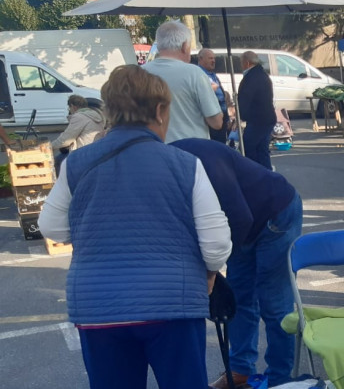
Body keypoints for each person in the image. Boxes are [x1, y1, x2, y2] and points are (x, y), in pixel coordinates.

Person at [38, 65, 232, 389]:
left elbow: (51, 227)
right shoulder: (185, 165)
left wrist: (96, 231)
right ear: (159, 111)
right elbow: (216, 245)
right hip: (173, 303)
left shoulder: (77, 163)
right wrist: (210, 274)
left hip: (97, 306)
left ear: (111, 111)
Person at [171, 138, 302, 389]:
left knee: (274, 304)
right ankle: (240, 370)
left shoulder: (197, 160)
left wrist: (213, 268)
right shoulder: (167, 163)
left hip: (275, 213)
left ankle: (280, 379)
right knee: (240, 298)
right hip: (241, 223)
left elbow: (240, 218)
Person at [142, 20, 224, 142]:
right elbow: (216, 123)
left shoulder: (140, 73)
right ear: (184, 46)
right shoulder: (194, 73)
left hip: (155, 149)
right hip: (192, 150)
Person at [238, 51, 276, 169]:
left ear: (247, 62)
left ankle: (256, 174)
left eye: (242, 62)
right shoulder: (262, 74)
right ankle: (267, 175)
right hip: (267, 118)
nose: (241, 65)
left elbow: (245, 99)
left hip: (257, 120)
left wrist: (240, 115)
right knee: (262, 150)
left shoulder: (251, 77)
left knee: (248, 148)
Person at [51, 95, 106, 172]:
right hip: (95, 150)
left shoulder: (79, 117)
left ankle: (63, 183)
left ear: (73, 106)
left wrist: (50, 146)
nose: (69, 110)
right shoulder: (95, 115)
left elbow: (66, 139)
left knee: (57, 161)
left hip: (82, 152)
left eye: (69, 108)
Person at [197, 48, 232, 143]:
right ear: (201, 59)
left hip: (221, 115)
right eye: (210, 58)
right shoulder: (199, 74)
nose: (213, 61)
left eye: (214, 58)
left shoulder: (212, 74)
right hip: (211, 117)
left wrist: (227, 118)